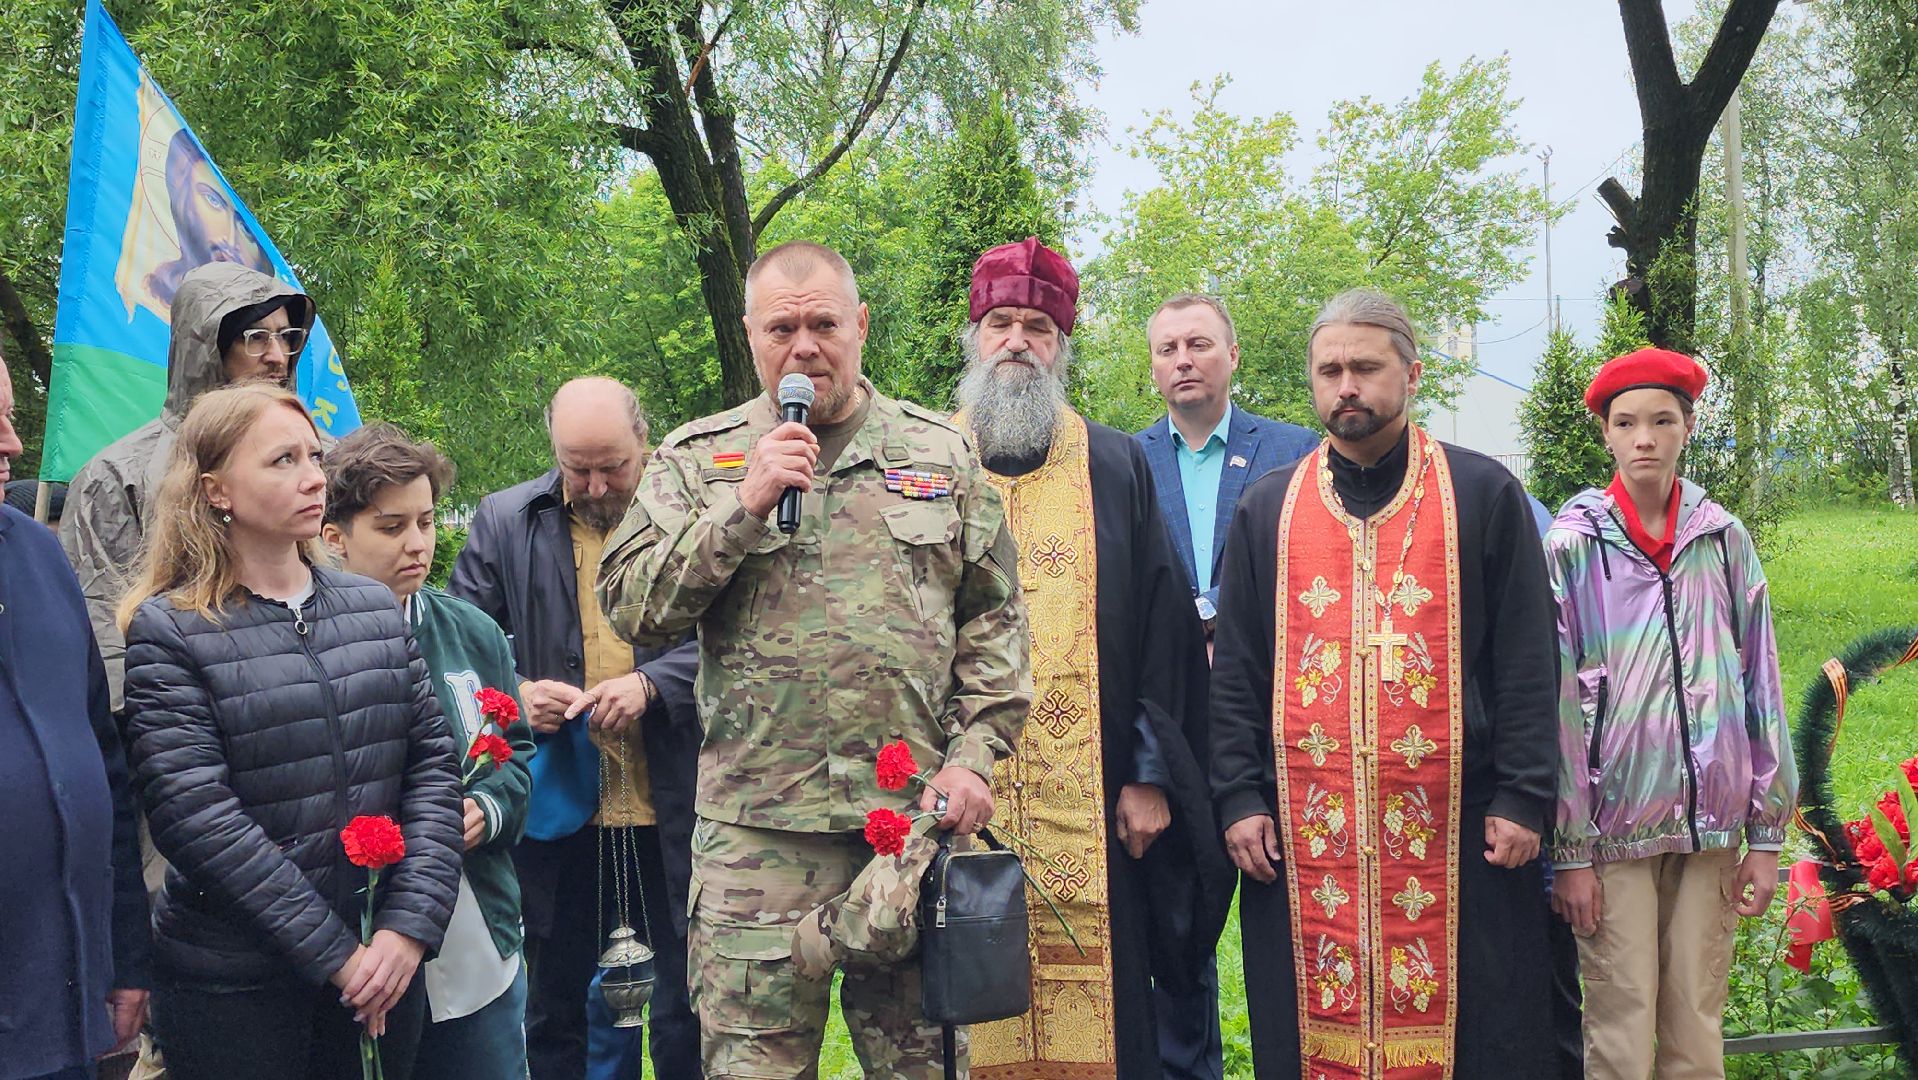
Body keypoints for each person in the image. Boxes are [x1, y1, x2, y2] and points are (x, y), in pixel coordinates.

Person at [597, 239, 1031, 1078]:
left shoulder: (939, 455)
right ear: (753, 335)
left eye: (824, 324)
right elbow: (632, 605)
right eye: (782, 328)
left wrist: (975, 760)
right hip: (756, 842)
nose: (805, 347)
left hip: (906, 833)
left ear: (861, 326)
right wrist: (746, 503)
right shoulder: (699, 459)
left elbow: (995, 627)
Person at [1209, 288, 1561, 1078]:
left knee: (1479, 1036)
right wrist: (1237, 797)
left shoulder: (1481, 495)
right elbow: (1236, 672)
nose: (1347, 387)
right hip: (1305, 843)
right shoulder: (1269, 509)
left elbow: (1528, 660)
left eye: (1365, 368)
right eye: (1329, 370)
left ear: (1411, 373)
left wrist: (1524, 795)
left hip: (1460, 832)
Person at [119, 383, 462, 1080]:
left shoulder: (370, 607)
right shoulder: (172, 629)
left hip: (381, 974)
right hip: (237, 990)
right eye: (282, 461)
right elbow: (197, 819)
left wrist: (405, 931)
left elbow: (431, 767)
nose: (313, 477)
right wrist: (338, 957)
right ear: (218, 490)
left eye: (314, 456)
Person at [952, 238, 1228, 1077]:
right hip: (963, 793)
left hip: (1099, 799)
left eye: (1037, 325)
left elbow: (1164, 634)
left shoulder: (1115, 463)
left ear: (1060, 344)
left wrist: (1149, 775)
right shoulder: (929, 460)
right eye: (1001, 322)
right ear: (974, 335)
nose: (1016, 342)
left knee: (1110, 1014)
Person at [1546, 348, 1797, 1080]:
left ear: (1689, 426)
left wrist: (1767, 834)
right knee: (1619, 1031)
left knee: (1696, 1024)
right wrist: (1569, 852)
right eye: (1627, 423)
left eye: (1662, 420)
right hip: (1608, 831)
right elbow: (1556, 703)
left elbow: (1762, 684)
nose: (1645, 438)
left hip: (1713, 830)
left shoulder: (1723, 542)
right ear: (1606, 434)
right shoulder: (1571, 548)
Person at [448, 378, 700, 1080]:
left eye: (612, 466)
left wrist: (655, 685)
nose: (594, 485)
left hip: (676, 804)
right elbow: (460, 649)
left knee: (686, 1010)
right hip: (558, 810)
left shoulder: (693, 515)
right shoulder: (504, 521)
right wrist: (516, 696)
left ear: (645, 442)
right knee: (555, 1007)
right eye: (576, 467)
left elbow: (741, 640)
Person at [1133, 293, 1317, 1080]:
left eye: (1199, 343)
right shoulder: (1124, 460)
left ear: (1232, 356)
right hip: (1171, 730)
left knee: (1287, 914)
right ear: (1152, 367)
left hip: (1270, 721)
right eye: (1168, 347)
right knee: (1180, 921)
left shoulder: (1294, 451)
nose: (1183, 359)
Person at [322, 423, 538, 1080]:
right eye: (391, 527)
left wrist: (488, 812)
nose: (417, 544)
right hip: (357, 949)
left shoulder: (471, 633)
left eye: (425, 521)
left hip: (476, 945)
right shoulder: (303, 643)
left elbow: (514, 759)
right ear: (334, 537)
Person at [0, 349, 151, 1080]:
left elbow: (102, 763)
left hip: (60, 1011)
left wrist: (124, 956)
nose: (13, 444)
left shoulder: (37, 553)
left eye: (8, 414)